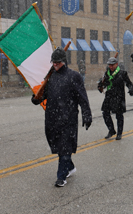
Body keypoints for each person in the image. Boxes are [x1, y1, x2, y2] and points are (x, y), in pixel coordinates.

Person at [31, 48, 92, 187]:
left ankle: (61, 176)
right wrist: (36, 99)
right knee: (59, 146)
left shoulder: (74, 76)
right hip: (52, 118)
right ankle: (69, 167)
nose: (56, 64)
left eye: (58, 62)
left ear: (64, 61)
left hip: (68, 118)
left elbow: (82, 98)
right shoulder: (51, 77)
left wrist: (87, 115)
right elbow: (44, 94)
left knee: (65, 146)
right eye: (54, 62)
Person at [98, 57, 133, 140]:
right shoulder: (107, 73)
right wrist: (100, 86)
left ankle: (119, 133)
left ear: (116, 64)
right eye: (110, 65)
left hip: (119, 96)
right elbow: (103, 83)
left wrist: (131, 89)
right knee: (105, 113)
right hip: (109, 96)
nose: (111, 67)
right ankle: (111, 130)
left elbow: (129, 83)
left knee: (119, 115)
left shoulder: (122, 73)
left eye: (112, 65)